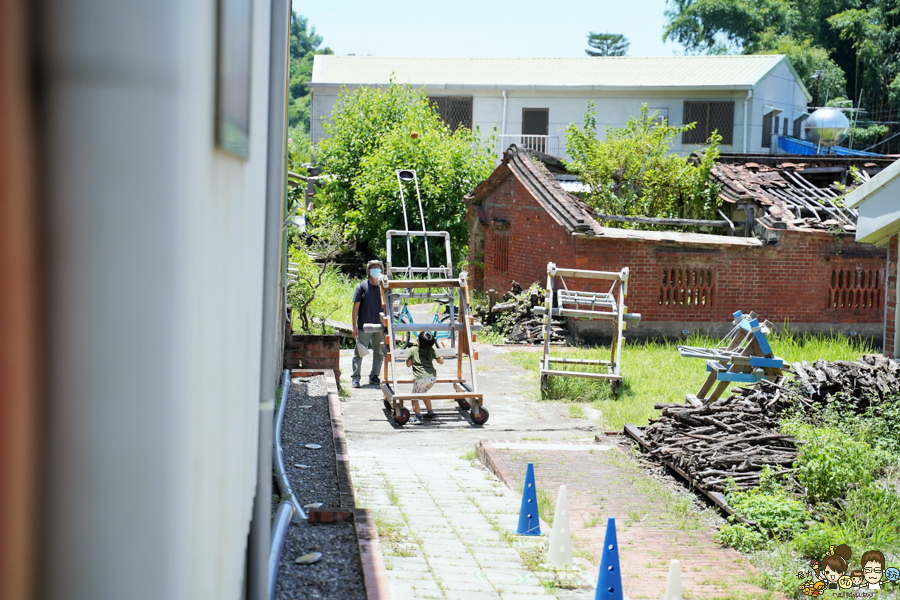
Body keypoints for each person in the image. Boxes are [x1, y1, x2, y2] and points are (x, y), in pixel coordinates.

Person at [351, 260, 386, 388]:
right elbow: (355, 307)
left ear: (382, 271)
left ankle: (374, 376)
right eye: (373, 268)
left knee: (379, 352)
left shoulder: (384, 287)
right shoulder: (362, 286)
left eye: (378, 267)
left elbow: (388, 305)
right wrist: (353, 325)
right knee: (359, 352)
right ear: (368, 271)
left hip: (380, 325)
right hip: (363, 325)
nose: (376, 270)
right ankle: (355, 378)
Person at [405, 331, 444, 425]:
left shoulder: (413, 350)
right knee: (424, 393)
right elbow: (441, 361)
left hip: (420, 378)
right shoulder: (432, 350)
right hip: (432, 378)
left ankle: (418, 417)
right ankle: (430, 412)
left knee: (414, 398)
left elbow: (408, 364)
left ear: (418, 341)